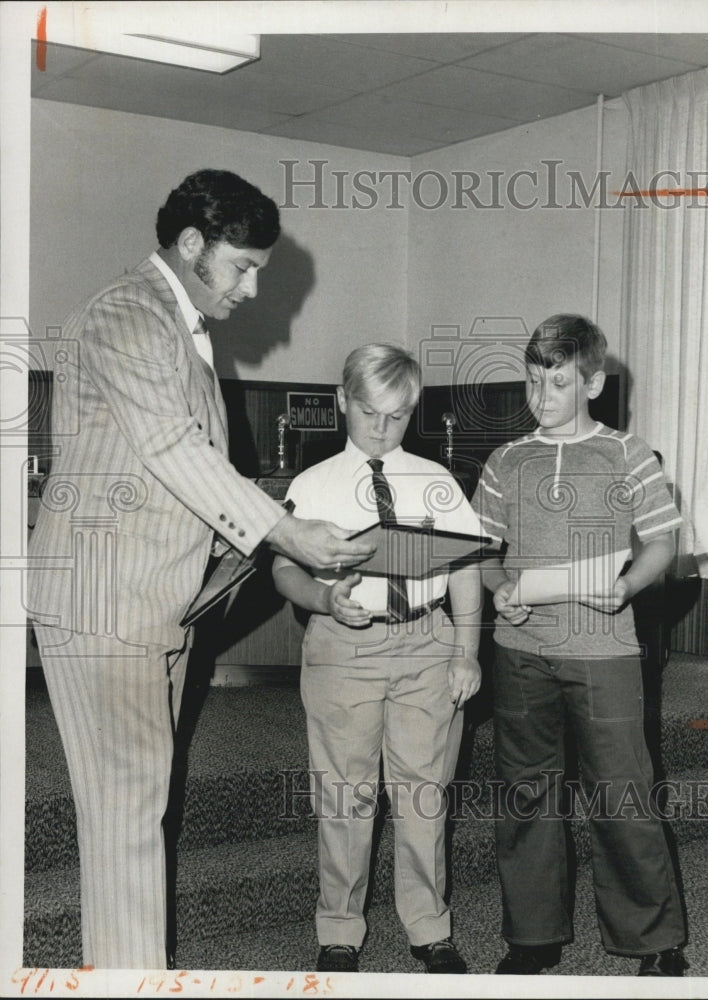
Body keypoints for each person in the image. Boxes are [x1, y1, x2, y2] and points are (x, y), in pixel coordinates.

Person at [26, 168, 374, 970]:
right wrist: (286, 533)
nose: (252, 289)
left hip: (158, 605)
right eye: (243, 265)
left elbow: (182, 473)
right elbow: (172, 450)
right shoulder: (128, 312)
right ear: (191, 245)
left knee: (139, 818)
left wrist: (279, 533)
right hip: (105, 605)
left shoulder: (177, 327)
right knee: (125, 826)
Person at [471, 314, 688, 977]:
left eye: (558, 383)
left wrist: (624, 587)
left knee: (621, 793)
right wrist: (499, 587)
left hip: (605, 654)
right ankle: (532, 937)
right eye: (533, 381)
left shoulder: (628, 454)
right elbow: (483, 551)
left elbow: (661, 544)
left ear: (591, 380)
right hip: (520, 652)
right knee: (526, 796)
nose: (540, 397)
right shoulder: (505, 460)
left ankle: (652, 940)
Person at [272, 343, 483, 974]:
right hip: (344, 647)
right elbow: (283, 568)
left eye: (395, 416)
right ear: (342, 402)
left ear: (412, 411)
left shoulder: (437, 481)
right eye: (368, 412)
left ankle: (428, 926)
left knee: (424, 793)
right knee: (343, 792)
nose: (381, 429)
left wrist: (466, 653)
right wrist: (322, 599)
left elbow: (467, 569)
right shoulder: (311, 484)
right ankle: (339, 928)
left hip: (427, 643)